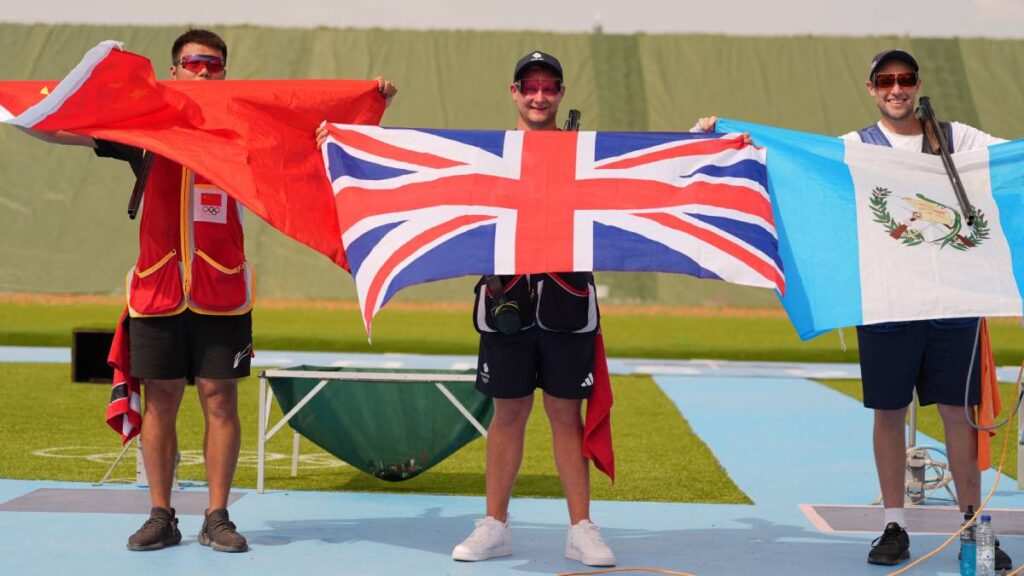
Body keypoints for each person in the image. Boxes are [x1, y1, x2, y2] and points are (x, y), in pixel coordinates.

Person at [29, 29, 396, 553]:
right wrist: (50, 96)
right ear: (173, 70)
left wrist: (366, 101)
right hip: (157, 288)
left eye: (213, 65)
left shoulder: (244, 132)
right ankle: (161, 514)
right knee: (161, 401)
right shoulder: (144, 130)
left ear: (224, 73)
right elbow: (57, 128)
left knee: (220, 400)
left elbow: (311, 142)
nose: (202, 72)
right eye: (192, 63)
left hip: (222, 289)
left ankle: (217, 516)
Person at [697, 49, 1011, 570]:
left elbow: (1009, 160)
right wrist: (727, 133)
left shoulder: (956, 138)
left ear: (917, 84)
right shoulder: (855, 148)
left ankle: (973, 526)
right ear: (872, 88)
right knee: (888, 412)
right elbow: (790, 161)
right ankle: (895, 524)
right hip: (886, 300)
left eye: (905, 79)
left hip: (953, 301)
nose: (896, 88)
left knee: (958, 415)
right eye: (886, 80)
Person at [449, 50, 616, 568]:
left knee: (565, 416)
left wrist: (706, 138)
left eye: (549, 87)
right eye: (530, 87)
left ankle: (581, 529)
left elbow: (642, 184)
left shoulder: (583, 154)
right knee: (508, 414)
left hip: (567, 302)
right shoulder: (491, 156)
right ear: (514, 93)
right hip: (508, 303)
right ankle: (494, 525)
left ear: (561, 94)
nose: (539, 96)